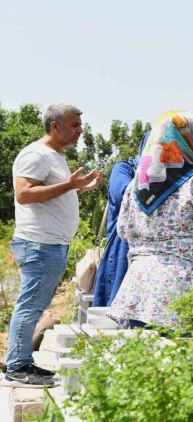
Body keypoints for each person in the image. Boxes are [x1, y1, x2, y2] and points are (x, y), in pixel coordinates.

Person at [5, 104, 102, 387]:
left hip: (50, 244)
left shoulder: (55, 156)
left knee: (35, 305)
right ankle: (17, 367)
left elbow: (51, 194)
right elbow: (24, 194)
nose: (80, 131)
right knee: (30, 305)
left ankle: (23, 361)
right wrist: (70, 185)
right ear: (55, 126)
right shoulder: (36, 154)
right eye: (74, 125)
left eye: (80, 125)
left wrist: (79, 188)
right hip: (39, 243)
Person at [107, 111, 193, 328]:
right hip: (183, 295)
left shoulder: (138, 184)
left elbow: (124, 231)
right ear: (191, 142)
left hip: (138, 293)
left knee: (141, 350)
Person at [92, 131, 151, 307]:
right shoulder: (125, 169)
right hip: (122, 251)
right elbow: (124, 195)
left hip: (152, 254)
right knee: (116, 307)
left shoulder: (173, 176)